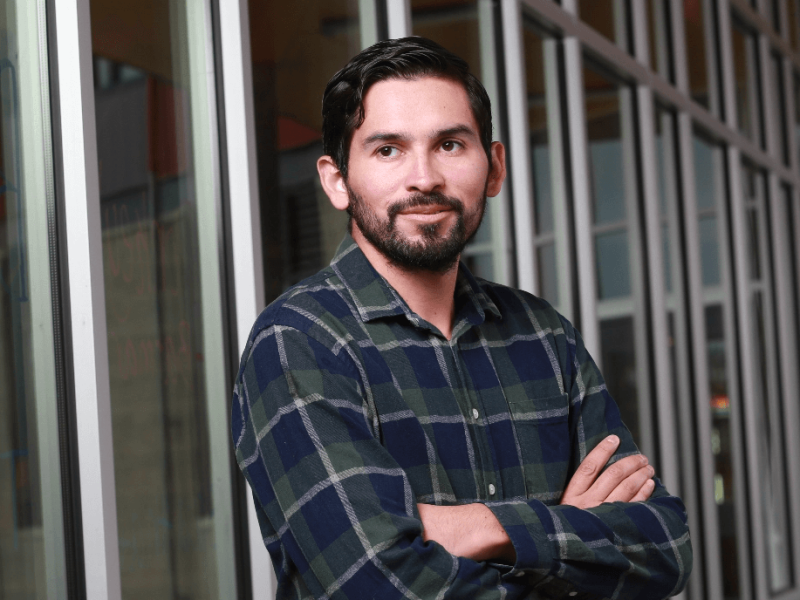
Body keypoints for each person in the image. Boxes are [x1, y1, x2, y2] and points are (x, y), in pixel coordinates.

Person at [231, 37, 692, 599]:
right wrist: (566, 533)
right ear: (337, 181)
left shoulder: (543, 333)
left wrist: (477, 528)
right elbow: (379, 583)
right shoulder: (298, 342)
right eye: (387, 150)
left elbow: (665, 548)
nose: (424, 177)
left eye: (449, 144)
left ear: (493, 167)